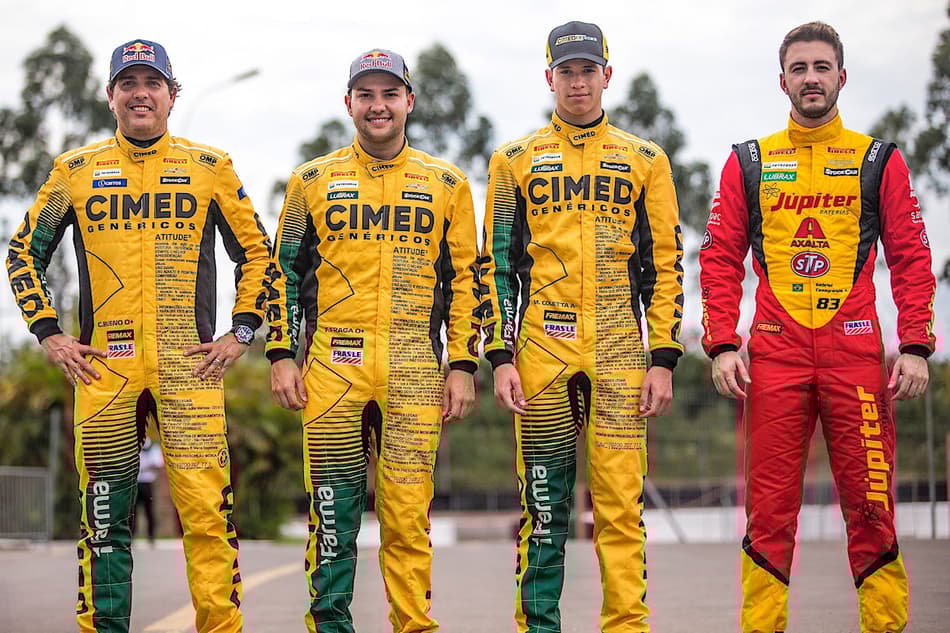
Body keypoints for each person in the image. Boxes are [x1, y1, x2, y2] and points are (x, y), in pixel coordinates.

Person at [6, 38, 272, 633]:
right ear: (111, 96)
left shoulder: (210, 167)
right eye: (128, 83)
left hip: (190, 368)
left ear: (172, 95)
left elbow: (258, 253)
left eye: (153, 83)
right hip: (106, 370)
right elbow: (23, 252)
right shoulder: (75, 172)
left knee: (207, 518)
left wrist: (241, 331)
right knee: (104, 523)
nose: (140, 94)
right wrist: (50, 333)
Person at [700, 21, 936, 633]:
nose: (811, 78)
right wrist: (722, 343)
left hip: (855, 353)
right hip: (773, 355)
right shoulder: (749, 161)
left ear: (842, 77)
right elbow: (719, 257)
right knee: (768, 512)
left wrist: (915, 345)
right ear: (782, 81)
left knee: (872, 506)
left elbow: (911, 256)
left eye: (821, 67)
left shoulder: (878, 159)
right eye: (799, 68)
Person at [479, 21, 685, 633]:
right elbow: (498, 265)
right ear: (549, 77)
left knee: (621, 508)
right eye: (566, 72)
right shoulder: (512, 161)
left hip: (621, 351)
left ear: (606, 75)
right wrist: (501, 356)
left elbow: (665, 264)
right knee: (544, 510)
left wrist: (663, 358)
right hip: (541, 350)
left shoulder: (646, 160)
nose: (577, 82)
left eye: (587, 71)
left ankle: (626, 625)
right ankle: (538, 627)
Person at [266, 48, 480, 633]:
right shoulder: (311, 181)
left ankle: (413, 626)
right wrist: (281, 354)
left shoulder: (447, 183)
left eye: (389, 94)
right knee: (332, 521)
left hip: (414, 369)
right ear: (349, 103)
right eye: (366, 95)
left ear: (409, 101)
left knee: (408, 519)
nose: (377, 106)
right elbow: (282, 273)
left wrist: (462, 365)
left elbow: (468, 280)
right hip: (332, 370)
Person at [132, 437, 164, 546]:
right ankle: (132, 536)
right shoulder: (132, 447)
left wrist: (142, 467)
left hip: (148, 482)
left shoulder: (152, 448)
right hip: (135, 482)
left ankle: (151, 536)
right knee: (133, 512)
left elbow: (158, 464)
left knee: (149, 510)